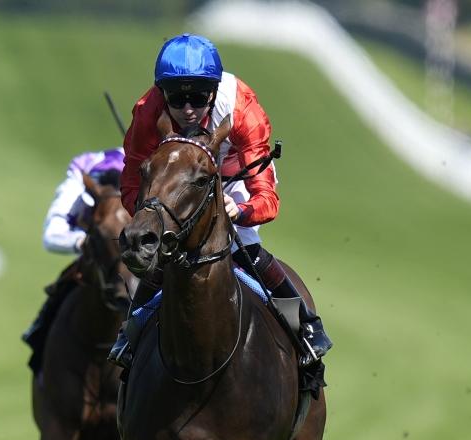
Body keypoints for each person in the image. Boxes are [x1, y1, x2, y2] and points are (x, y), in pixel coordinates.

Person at [109, 33, 331, 369]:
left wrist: (240, 210)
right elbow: (131, 181)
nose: (187, 110)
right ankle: (131, 331)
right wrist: (152, 218)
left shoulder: (242, 107)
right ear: (161, 93)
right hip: (177, 184)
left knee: (246, 244)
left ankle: (306, 325)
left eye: (198, 98)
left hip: (234, 175)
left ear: (213, 91)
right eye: (176, 99)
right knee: (163, 259)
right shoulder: (147, 112)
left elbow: (267, 198)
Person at [22, 147, 124, 372]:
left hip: (145, 263)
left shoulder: (159, 160)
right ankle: (40, 346)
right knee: (61, 295)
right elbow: (53, 235)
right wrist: (89, 242)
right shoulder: (85, 168)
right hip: (95, 265)